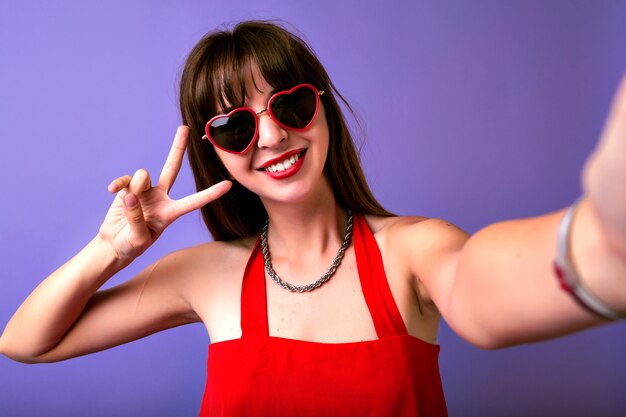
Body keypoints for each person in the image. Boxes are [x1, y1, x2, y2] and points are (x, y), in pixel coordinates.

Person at [1, 20, 625, 416]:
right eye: (237, 125)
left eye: (290, 103)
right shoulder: (205, 275)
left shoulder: (412, 251)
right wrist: (111, 250)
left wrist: (601, 242)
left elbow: (491, 289)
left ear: (322, 107)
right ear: (212, 152)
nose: (270, 135)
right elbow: (24, 343)